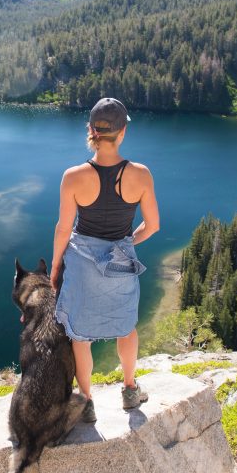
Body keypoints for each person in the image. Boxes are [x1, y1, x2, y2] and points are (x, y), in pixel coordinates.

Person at [51, 97, 159, 422]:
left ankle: (86, 403)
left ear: (91, 131)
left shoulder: (73, 176)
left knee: (80, 336)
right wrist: (127, 241)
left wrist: (56, 267)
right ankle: (129, 391)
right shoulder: (140, 175)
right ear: (122, 132)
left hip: (82, 265)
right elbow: (153, 226)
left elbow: (62, 229)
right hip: (122, 264)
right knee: (126, 329)